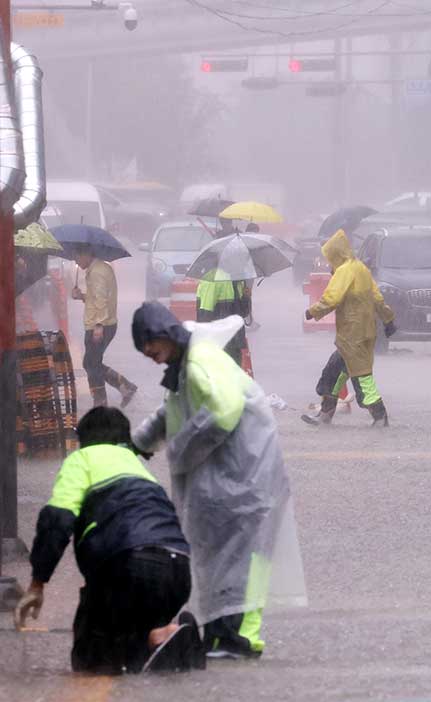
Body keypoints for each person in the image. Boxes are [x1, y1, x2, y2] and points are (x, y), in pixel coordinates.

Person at [131, 303, 307, 659]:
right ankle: (220, 634)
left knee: (244, 561)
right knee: (222, 560)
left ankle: (239, 640)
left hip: (246, 481)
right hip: (234, 482)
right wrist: (136, 442)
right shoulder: (185, 364)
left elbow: (224, 412)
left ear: (164, 334)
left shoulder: (198, 363)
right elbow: (173, 411)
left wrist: (179, 451)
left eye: (149, 345)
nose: (149, 354)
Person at [13, 407, 202, 674]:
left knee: (90, 658)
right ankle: (164, 635)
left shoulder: (82, 459)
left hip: (126, 568)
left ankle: (159, 638)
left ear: (85, 440)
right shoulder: (138, 468)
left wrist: (38, 582)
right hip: (177, 572)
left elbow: (56, 520)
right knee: (129, 649)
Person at [302, 230, 397, 427]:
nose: (329, 263)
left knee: (362, 377)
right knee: (334, 372)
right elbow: (378, 299)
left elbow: (332, 298)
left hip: (352, 335)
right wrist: (388, 320)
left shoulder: (344, 271)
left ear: (336, 255)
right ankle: (326, 413)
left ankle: (379, 415)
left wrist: (313, 311)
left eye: (330, 259)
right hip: (363, 333)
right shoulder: (361, 268)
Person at [71, 247, 136, 408]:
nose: (76, 262)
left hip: (100, 325)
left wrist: (98, 326)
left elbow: (101, 301)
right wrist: (81, 296)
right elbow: (96, 298)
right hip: (104, 323)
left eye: (77, 257)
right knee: (91, 362)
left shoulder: (97, 272)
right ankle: (125, 386)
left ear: (86, 254)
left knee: (91, 364)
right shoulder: (99, 268)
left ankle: (100, 401)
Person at [195, 269, 249, 364]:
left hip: (234, 339)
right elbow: (205, 313)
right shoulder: (213, 279)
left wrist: (246, 297)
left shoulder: (239, 279)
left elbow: (244, 313)